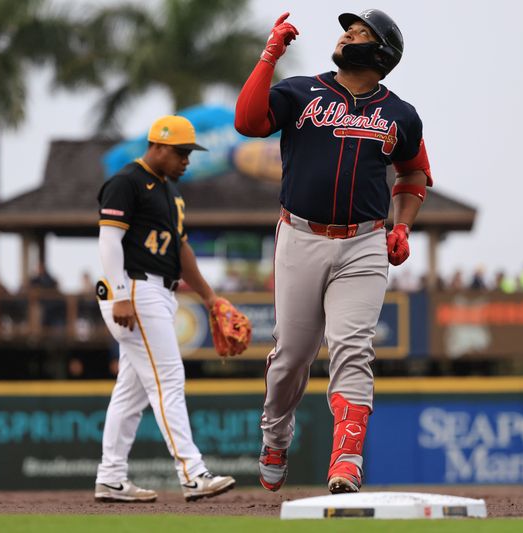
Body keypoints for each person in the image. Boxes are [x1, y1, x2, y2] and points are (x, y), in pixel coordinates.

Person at [235, 9, 432, 494]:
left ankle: (346, 459)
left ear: (380, 51)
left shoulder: (400, 114)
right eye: (348, 28)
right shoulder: (302, 91)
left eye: (360, 30)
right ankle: (276, 433)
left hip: (364, 243)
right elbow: (248, 121)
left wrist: (402, 226)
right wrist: (269, 56)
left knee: (353, 349)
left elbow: (414, 175)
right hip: (300, 235)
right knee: (292, 357)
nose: (347, 33)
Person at [93, 115, 235, 503]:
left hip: (157, 290)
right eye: (182, 152)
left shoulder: (170, 192)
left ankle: (110, 477)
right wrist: (120, 292)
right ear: (157, 145)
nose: (187, 160)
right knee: (168, 379)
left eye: (190, 153)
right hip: (135, 288)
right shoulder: (127, 181)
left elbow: (181, 249)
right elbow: (109, 241)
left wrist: (209, 297)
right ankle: (193, 474)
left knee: (132, 392)